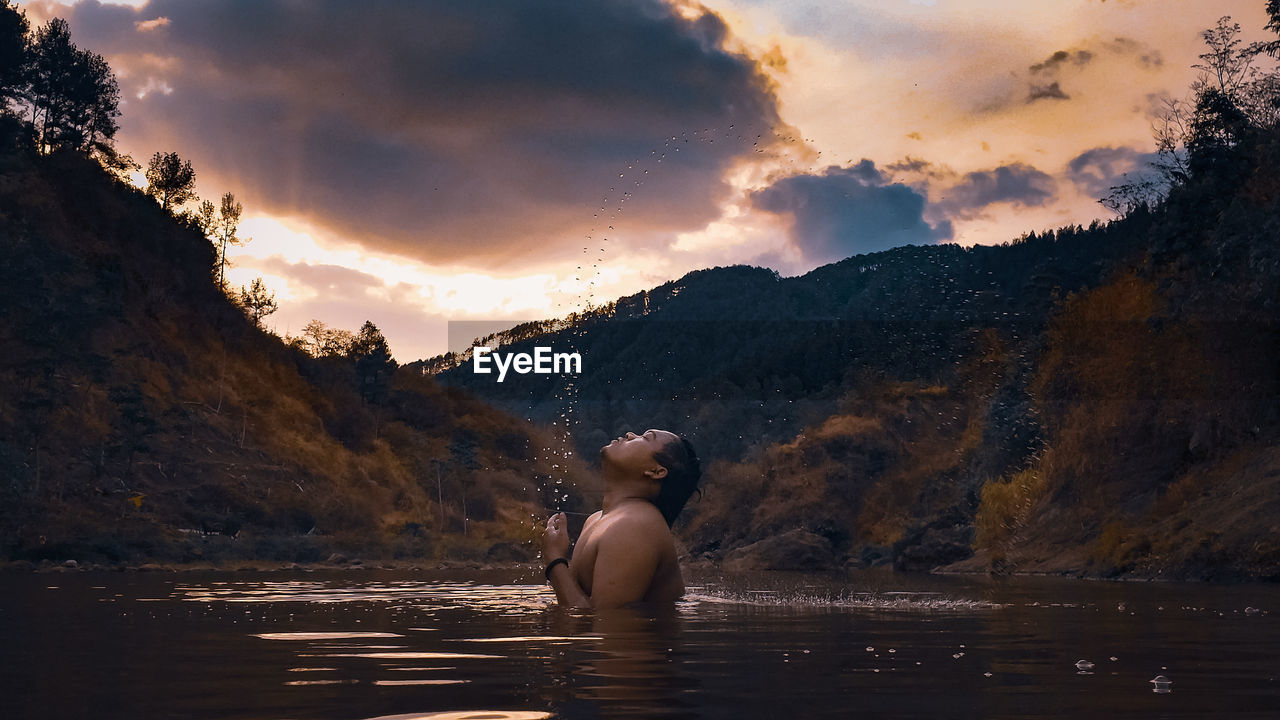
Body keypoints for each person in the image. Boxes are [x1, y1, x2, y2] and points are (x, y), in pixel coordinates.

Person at [541, 429, 701, 610]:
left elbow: (603, 624)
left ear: (656, 471)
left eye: (646, 438)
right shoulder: (598, 520)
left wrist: (554, 560)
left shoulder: (636, 525)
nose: (630, 434)